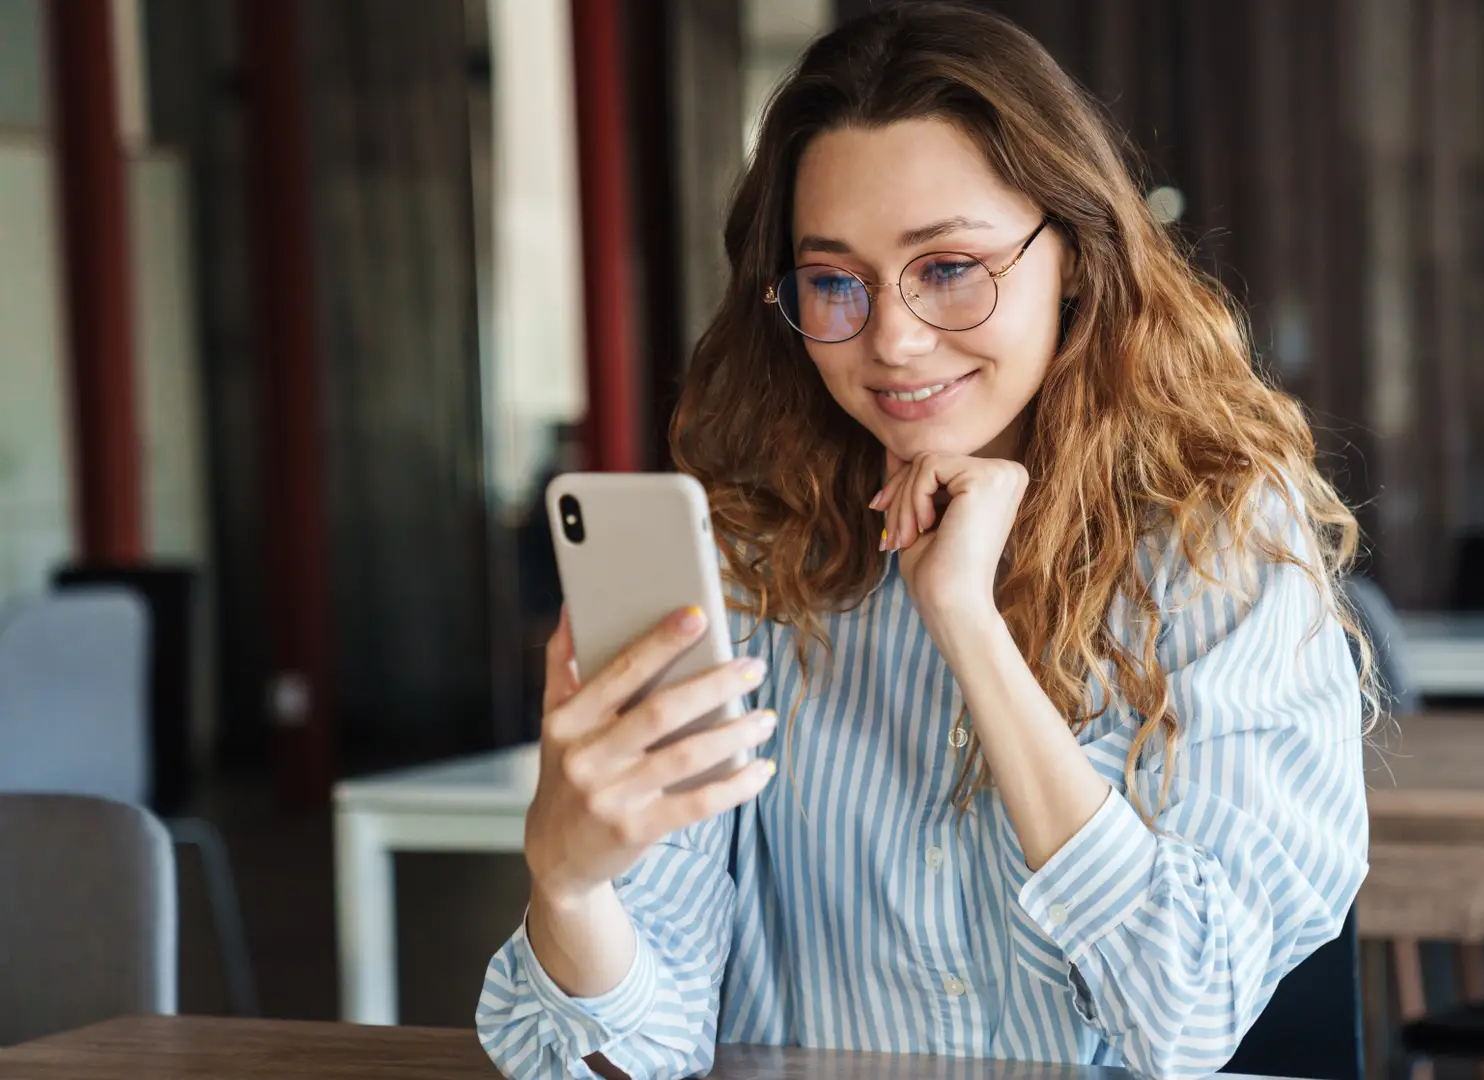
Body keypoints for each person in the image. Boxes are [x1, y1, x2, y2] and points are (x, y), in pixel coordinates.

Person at [477, 5, 1371, 1078]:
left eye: (949, 267)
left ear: (1078, 257)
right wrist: (568, 885)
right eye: (834, 282)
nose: (891, 338)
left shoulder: (1217, 545)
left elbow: (1182, 1017)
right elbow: (633, 1056)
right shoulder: (743, 565)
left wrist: (969, 627)